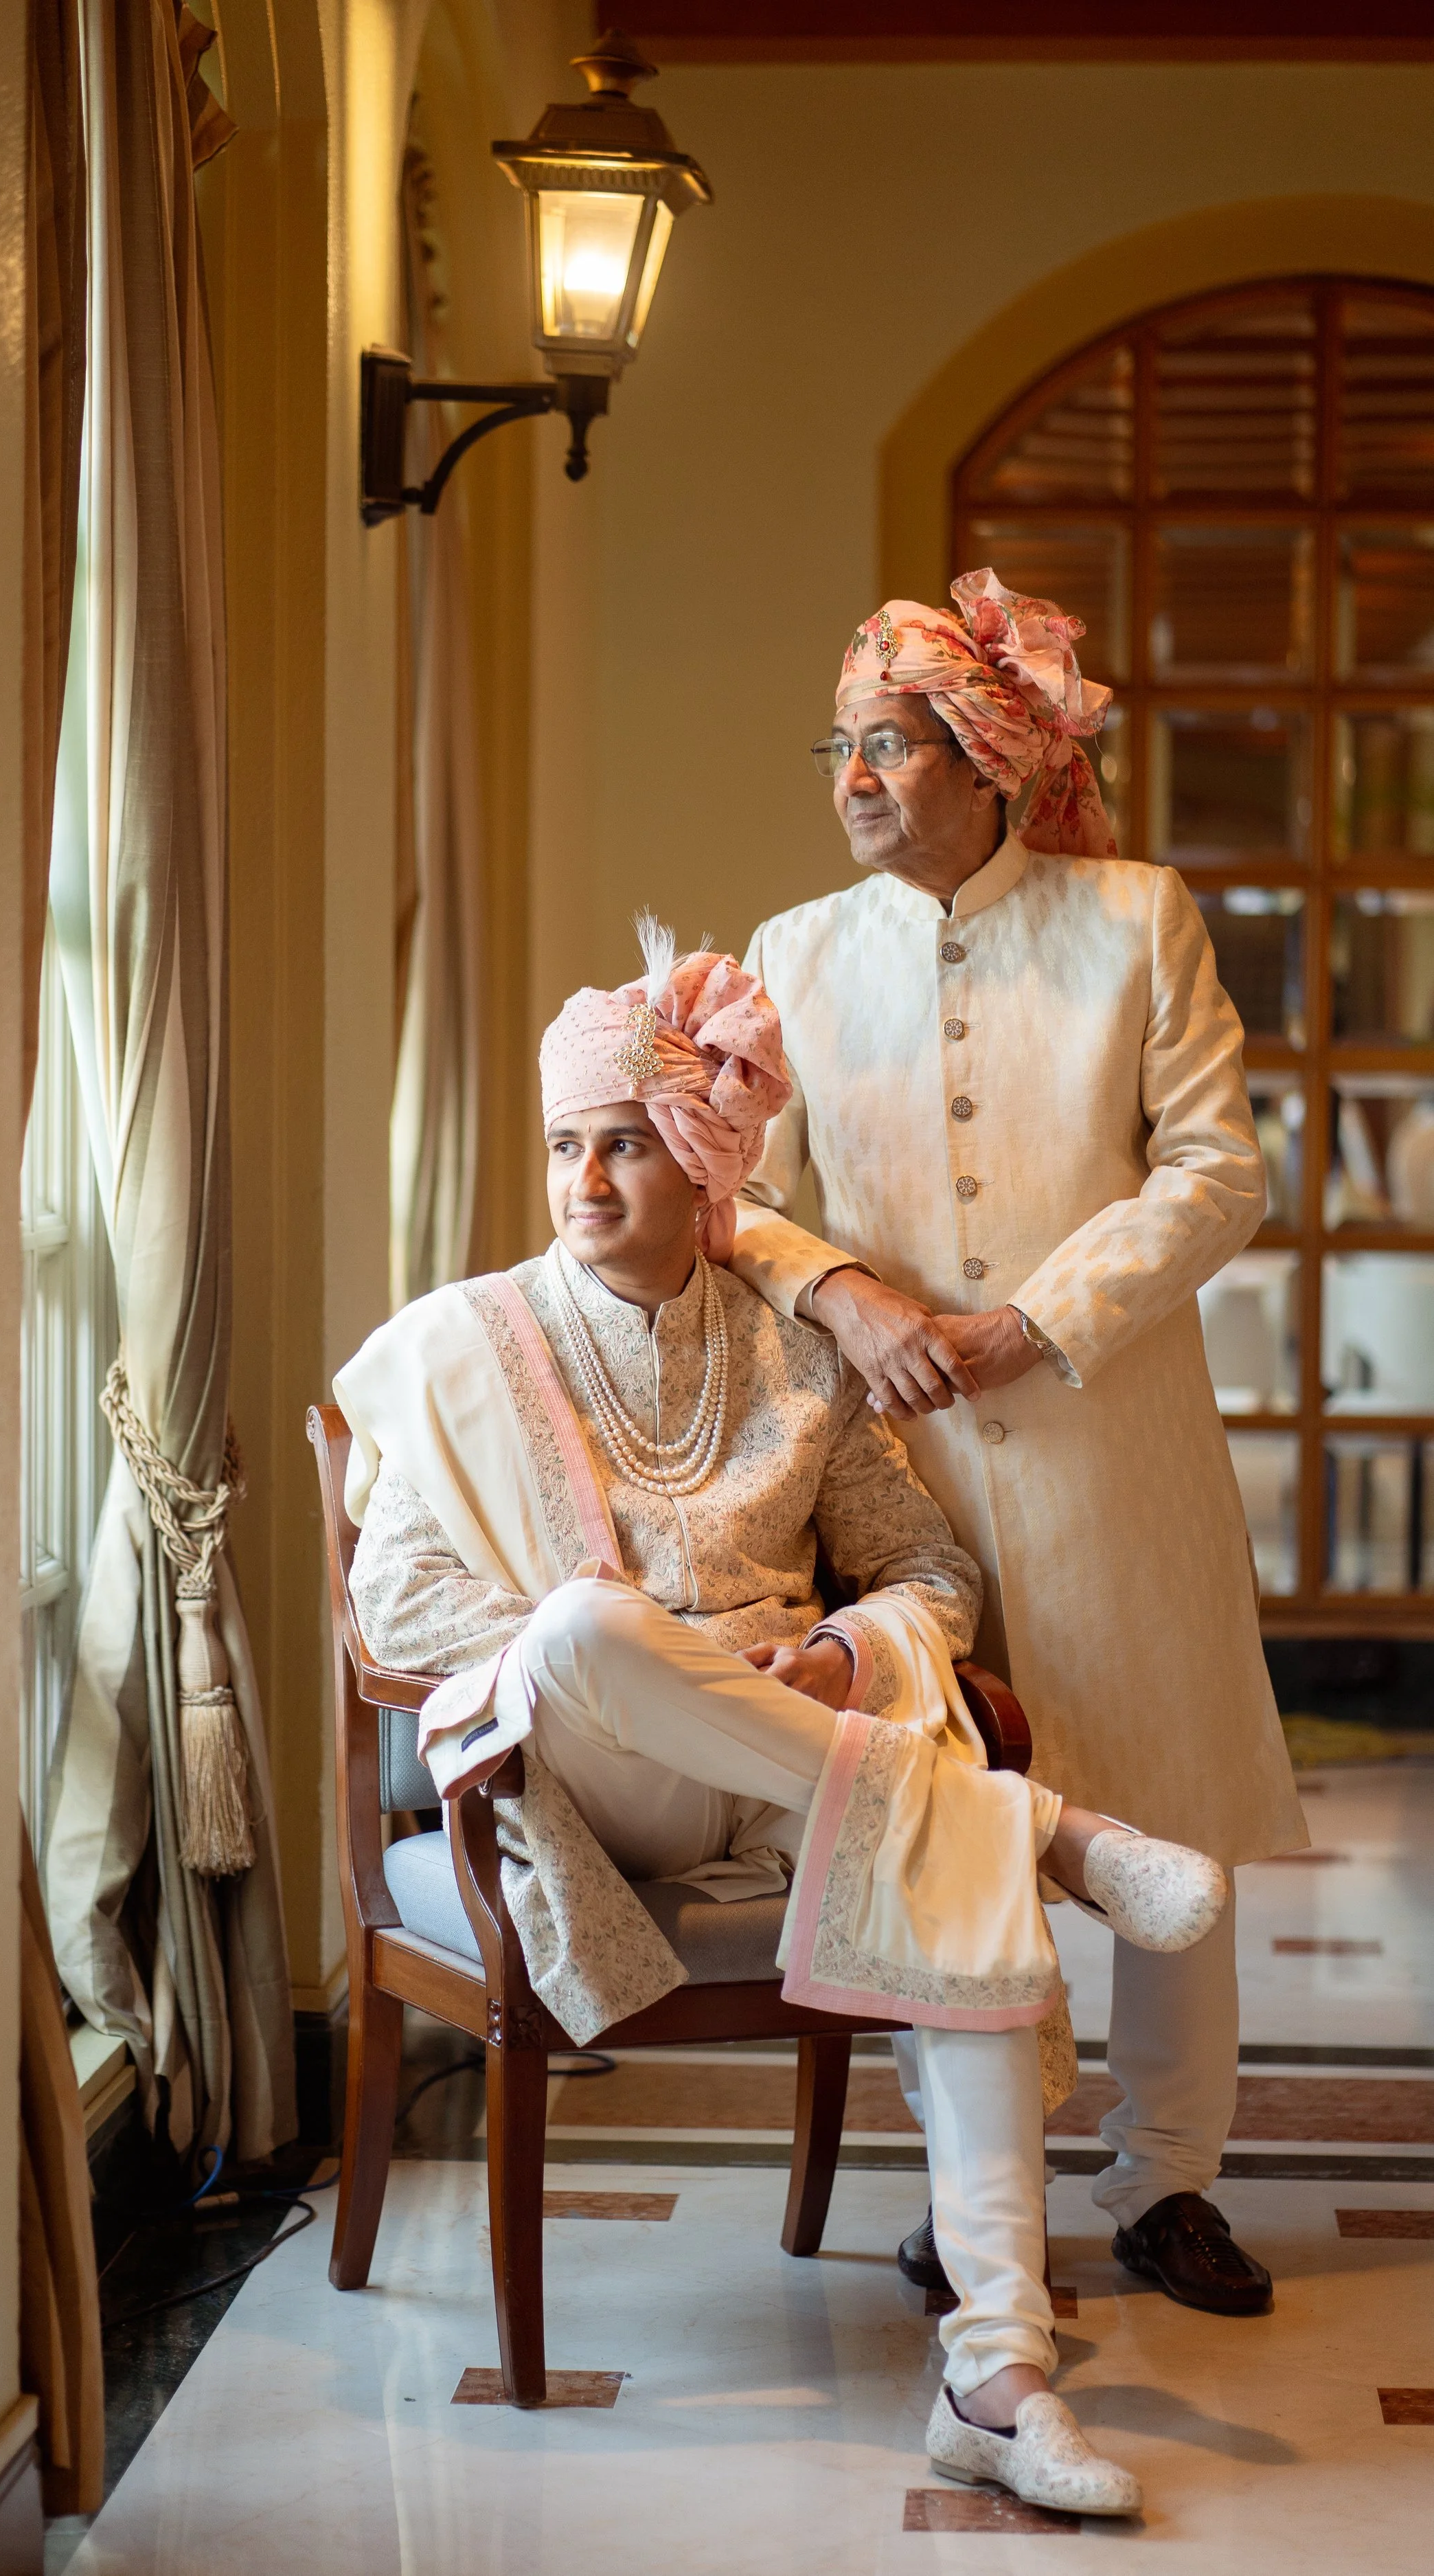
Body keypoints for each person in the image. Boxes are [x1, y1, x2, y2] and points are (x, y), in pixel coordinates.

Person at [335, 924, 1233, 2516]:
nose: (583, 1179)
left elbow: (929, 1574)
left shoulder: (794, 1359)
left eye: (623, 1144)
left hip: (781, 1770)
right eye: (563, 1144)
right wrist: (650, 1655)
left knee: (932, 1849)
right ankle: (1037, 1831)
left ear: (705, 1165)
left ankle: (996, 2377)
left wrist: (836, 1649)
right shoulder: (461, 1346)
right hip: (586, 1777)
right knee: (592, 1626)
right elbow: (395, 1613)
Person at [729, 570, 1308, 2320]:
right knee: (948, 1815)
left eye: (887, 744)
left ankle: (1166, 2183)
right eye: (836, 747)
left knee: (1164, 1806)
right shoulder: (791, 954)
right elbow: (735, 1200)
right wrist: (846, 1295)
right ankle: (975, 2193)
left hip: (1114, 1449)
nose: (851, 777)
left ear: (985, 759)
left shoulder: (1132, 919)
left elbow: (1219, 1168)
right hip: (897, 1478)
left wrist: (1033, 1322)